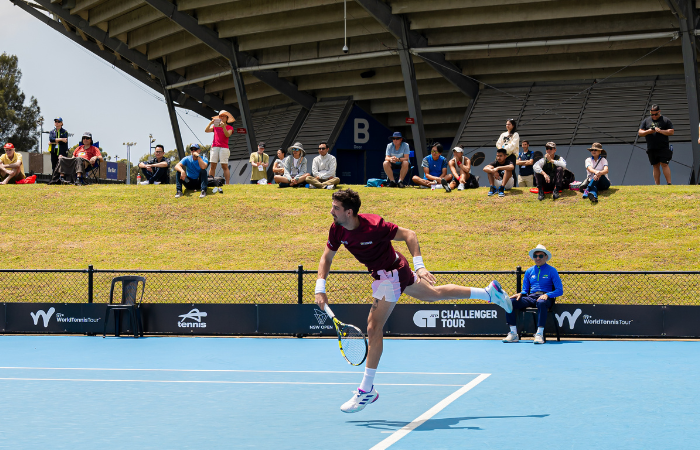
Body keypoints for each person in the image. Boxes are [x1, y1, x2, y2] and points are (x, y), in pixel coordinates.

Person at [314, 189, 513, 413]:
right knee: (432, 294)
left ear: (349, 212)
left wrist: (420, 265)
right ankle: (488, 293)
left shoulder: (375, 226)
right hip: (392, 268)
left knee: (373, 327)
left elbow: (409, 234)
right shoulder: (337, 229)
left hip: (390, 274)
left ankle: (366, 390)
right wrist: (320, 286)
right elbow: (326, 257)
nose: (331, 211)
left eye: (336, 208)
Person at [503, 245, 563, 345]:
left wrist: (548, 295)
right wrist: (520, 294)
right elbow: (525, 290)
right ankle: (513, 333)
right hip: (531, 297)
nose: (538, 258)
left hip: (545, 298)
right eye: (535, 256)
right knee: (510, 302)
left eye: (540, 256)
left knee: (541, 302)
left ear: (546, 257)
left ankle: (539, 334)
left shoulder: (552, 270)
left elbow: (559, 290)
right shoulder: (529, 271)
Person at [638, 105, 674, 185]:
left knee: (664, 164)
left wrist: (660, 131)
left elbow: (671, 131)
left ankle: (669, 183)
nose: (654, 116)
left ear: (659, 112)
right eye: (652, 114)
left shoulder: (665, 120)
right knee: (655, 165)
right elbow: (640, 133)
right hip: (651, 147)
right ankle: (657, 184)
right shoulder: (646, 121)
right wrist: (648, 131)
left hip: (663, 147)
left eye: (655, 114)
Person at [205, 109, 234, 189]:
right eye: (220, 116)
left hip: (224, 147)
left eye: (223, 116)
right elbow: (206, 130)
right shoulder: (215, 126)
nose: (222, 117)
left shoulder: (230, 127)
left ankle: (227, 183)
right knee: (212, 165)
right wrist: (211, 123)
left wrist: (223, 126)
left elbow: (227, 135)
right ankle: (211, 181)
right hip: (215, 146)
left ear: (227, 118)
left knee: (224, 166)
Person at [496, 119, 519, 188]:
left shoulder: (515, 134)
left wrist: (503, 150)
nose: (507, 126)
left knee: (511, 169)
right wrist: (500, 148)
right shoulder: (503, 134)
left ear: (513, 125)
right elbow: (498, 143)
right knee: (500, 169)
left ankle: (513, 186)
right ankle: (500, 185)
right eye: (506, 124)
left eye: (509, 124)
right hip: (502, 155)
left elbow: (513, 145)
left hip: (511, 154)